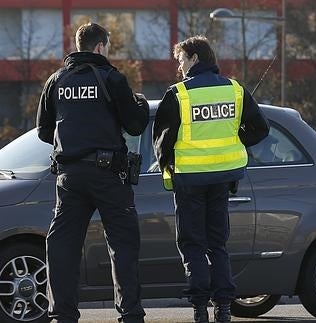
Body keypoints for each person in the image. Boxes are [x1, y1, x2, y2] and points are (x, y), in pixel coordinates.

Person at [36, 22, 148, 323]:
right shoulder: (111, 78)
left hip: (69, 177)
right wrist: (137, 103)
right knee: (122, 244)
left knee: (62, 246)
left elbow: (44, 131)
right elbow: (136, 125)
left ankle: (62, 316)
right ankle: (130, 316)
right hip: (108, 174)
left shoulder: (56, 81)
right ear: (100, 46)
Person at [152, 36, 269, 323]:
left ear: (193, 58)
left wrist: (167, 163)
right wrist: (235, 142)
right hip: (222, 179)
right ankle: (225, 308)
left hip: (189, 180)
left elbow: (161, 143)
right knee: (217, 243)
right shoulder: (235, 89)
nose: (179, 67)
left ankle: (199, 308)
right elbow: (260, 129)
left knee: (192, 243)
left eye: (181, 60)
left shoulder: (179, 94)